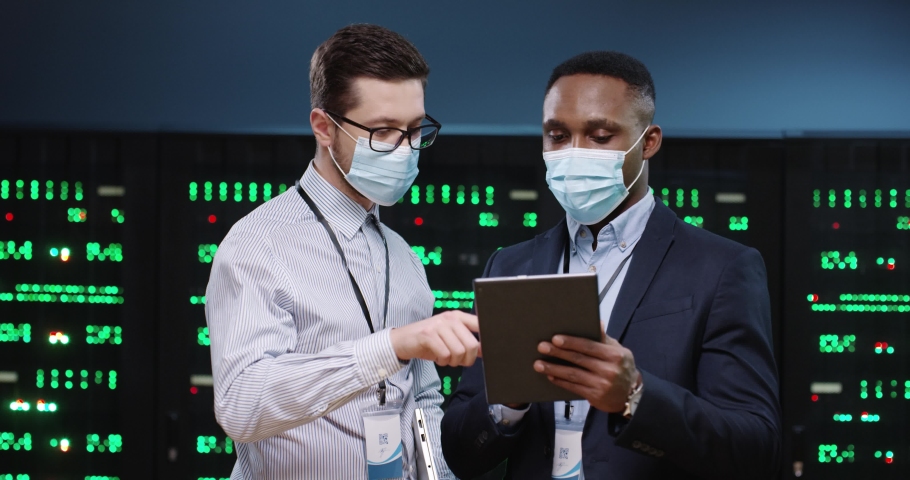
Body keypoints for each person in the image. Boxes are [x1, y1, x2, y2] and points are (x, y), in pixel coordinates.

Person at [441, 51, 780, 479]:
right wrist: (508, 402)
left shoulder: (722, 268)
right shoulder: (510, 266)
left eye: (600, 136)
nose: (574, 152)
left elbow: (757, 450)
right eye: (558, 135)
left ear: (649, 141)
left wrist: (636, 396)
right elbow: (458, 452)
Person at [205, 24, 479, 480]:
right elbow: (241, 404)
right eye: (383, 132)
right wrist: (391, 346)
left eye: (415, 130)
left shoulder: (405, 258)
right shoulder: (259, 244)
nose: (406, 149)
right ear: (324, 128)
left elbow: (422, 401)